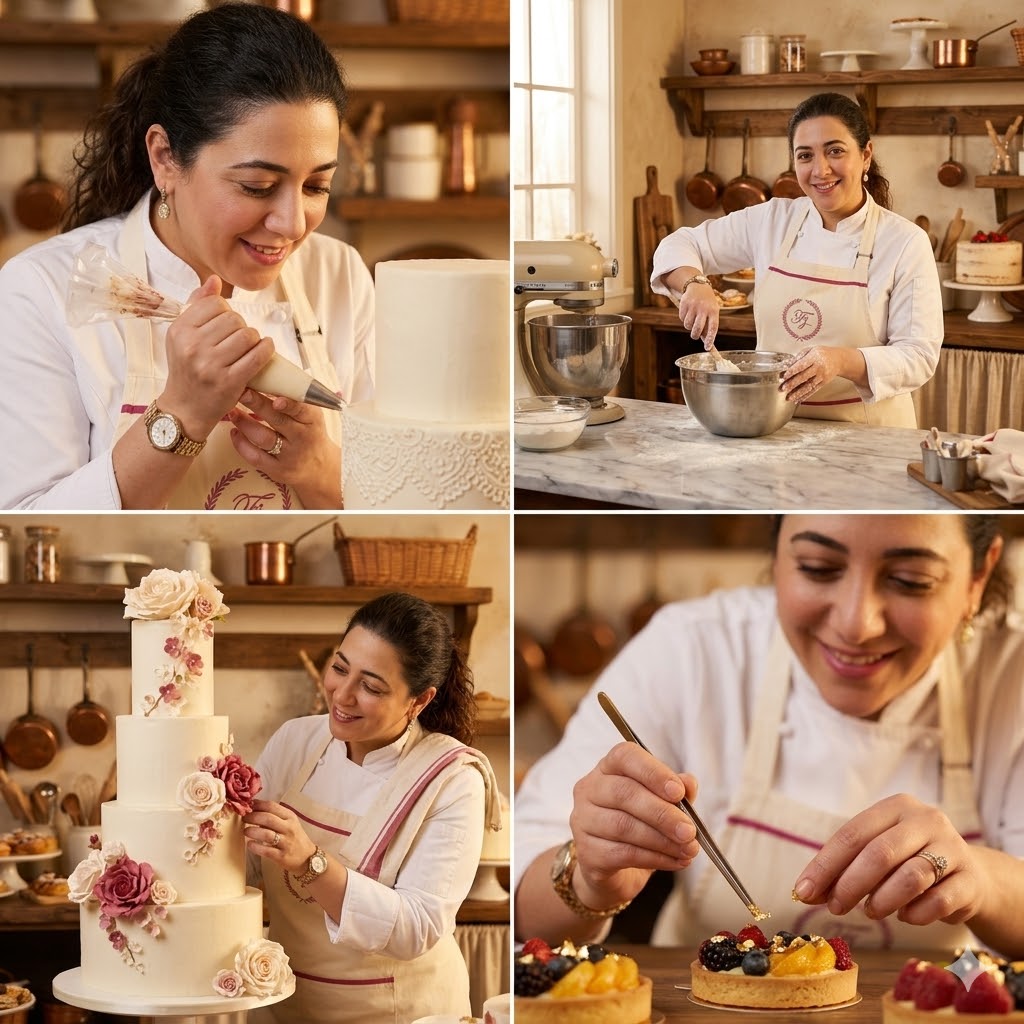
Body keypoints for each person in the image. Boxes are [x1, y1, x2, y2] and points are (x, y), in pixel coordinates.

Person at [514, 515, 1024, 960]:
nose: (856, 624)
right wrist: (589, 879)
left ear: (978, 575)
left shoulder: (1011, 676)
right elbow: (523, 903)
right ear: (776, 553)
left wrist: (984, 879)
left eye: (911, 581)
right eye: (818, 568)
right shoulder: (693, 647)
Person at [0, 4, 374, 510]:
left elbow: (398, 486)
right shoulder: (38, 289)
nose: (292, 223)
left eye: (316, 185)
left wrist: (322, 471)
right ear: (165, 158)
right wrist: (182, 412)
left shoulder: (340, 274)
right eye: (256, 186)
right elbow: (21, 518)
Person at [244, 592, 502, 1023]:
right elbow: (249, 864)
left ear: (418, 701)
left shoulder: (452, 779)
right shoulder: (296, 741)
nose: (342, 695)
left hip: (398, 1010)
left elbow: (417, 927)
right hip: (286, 1002)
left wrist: (310, 862)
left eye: (370, 686)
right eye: (340, 668)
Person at [651, 92, 943, 428]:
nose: (820, 169)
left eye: (835, 151)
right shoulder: (772, 220)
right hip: (775, 426)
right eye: (805, 155)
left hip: (868, 432)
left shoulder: (905, 242)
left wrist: (842, 360)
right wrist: (694, 283)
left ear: (865, 155)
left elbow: (918, 356)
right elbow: (680, 243)